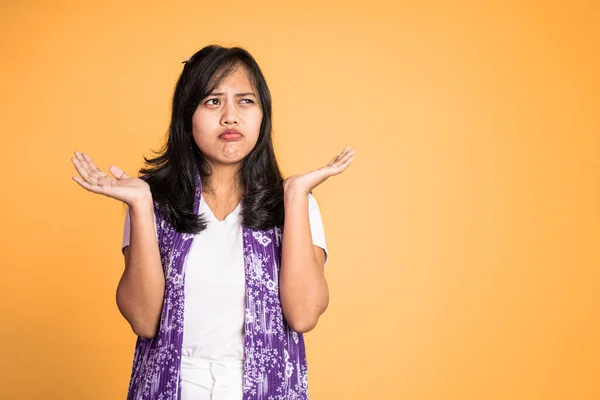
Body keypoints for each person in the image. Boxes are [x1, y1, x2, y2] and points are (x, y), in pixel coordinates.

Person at [71, 44, 355, 400]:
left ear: (263, 115)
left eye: (245, 101)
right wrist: (141, 205)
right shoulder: (154, 202)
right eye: (212, 101)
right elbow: (144, 321)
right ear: (186, 116)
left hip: (263, 389)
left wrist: (296, 195)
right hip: (173, 388)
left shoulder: (293, 204)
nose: (230, 117)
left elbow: (304, 315)